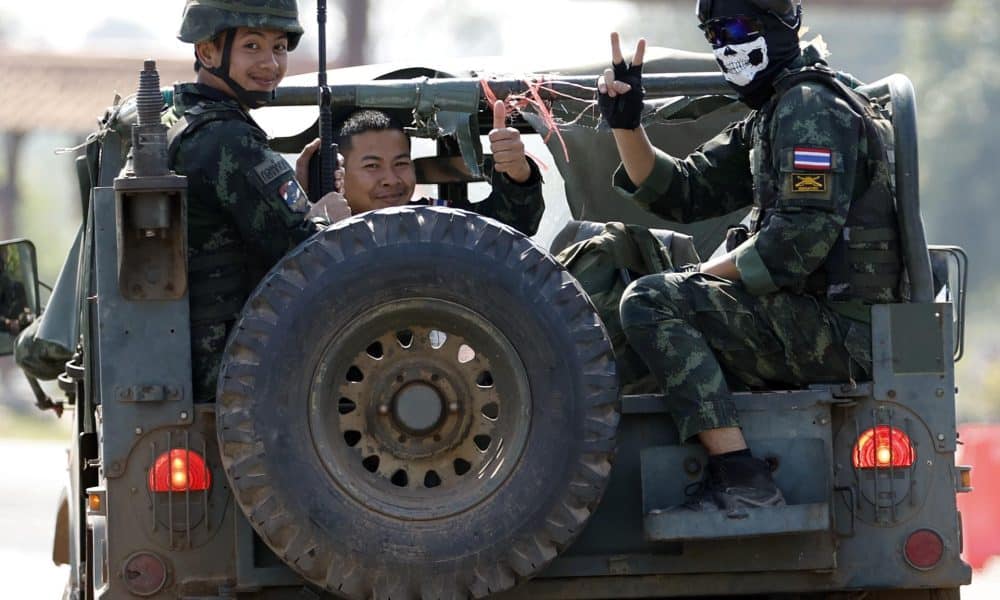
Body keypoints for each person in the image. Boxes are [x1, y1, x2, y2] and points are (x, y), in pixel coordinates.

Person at [598, 0, 900, 513]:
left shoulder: (810, 106)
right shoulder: (777, 111)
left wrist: (698, 279)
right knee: (643, 300)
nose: (725, 45)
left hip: (842, 331)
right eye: (713, 34)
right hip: (815, 321)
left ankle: (741, 476)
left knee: (650, 301)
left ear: (782, 25)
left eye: (737, 27)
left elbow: (795, 244)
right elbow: (685, 190)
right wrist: (627, 123)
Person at [170, 0, 350, 402]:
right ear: (207, 51)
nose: (270, 63)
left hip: (193, 357)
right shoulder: (228, 140)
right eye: (252, 46)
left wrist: (301, 193)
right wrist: (329, 216)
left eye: (280, 47)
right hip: (235, 366)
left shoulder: (180, 119)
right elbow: (309, 256)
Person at [323, 106, 545, 235]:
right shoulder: (322, 233)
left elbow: (511, 228)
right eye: (372, 166)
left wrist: (517, 174)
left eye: (401, 163)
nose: (391, 179)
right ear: (339, 173)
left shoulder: (433, 221)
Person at [0, 264, 29, 336]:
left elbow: (27, 308)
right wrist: (9, 322)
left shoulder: (17, 286)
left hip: (22, 329)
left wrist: (23, 317)